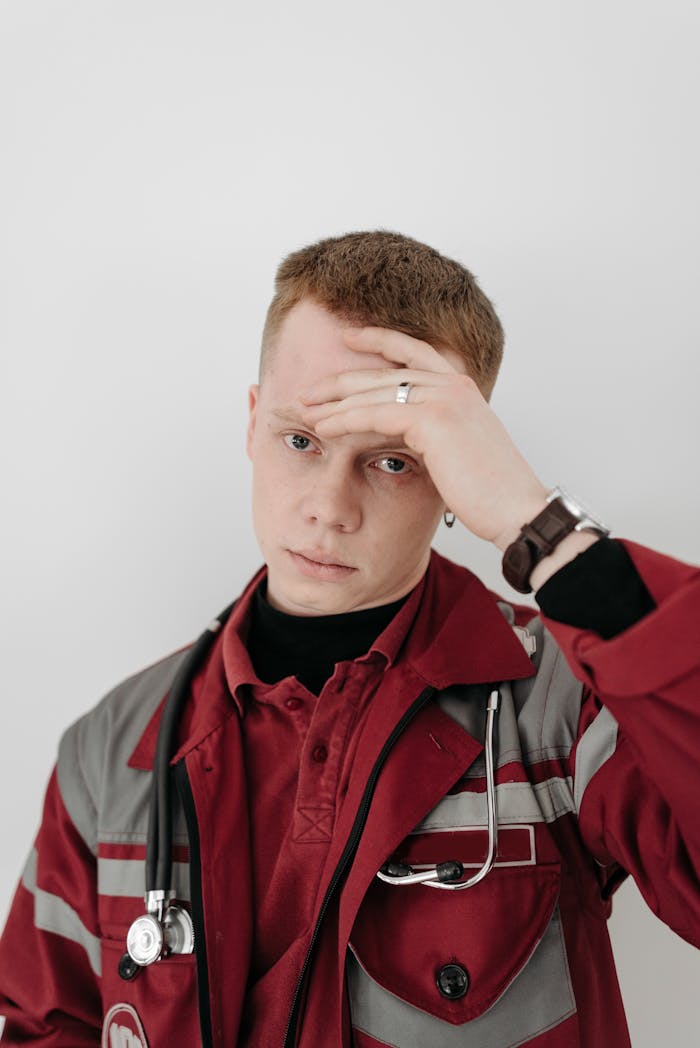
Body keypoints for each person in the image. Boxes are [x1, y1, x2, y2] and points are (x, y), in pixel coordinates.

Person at [0, 230, 698, 1048]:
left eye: (394, 462)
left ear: (455, 474)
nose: (329, 506)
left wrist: (536, 525)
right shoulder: (110, 750)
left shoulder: (566, 706)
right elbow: (45, 1028)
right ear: (253, 423)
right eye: (302, 440)